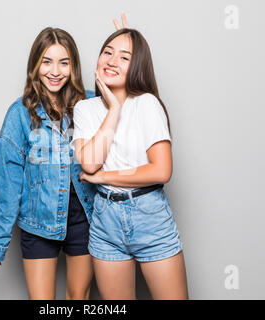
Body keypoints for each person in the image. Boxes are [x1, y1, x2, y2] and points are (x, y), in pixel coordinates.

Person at [0, 16, 130, 300]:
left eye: (64, 62)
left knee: (78, 297)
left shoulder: (92, 103)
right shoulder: (19, 114)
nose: (55, 71)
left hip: (85, 218)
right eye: (47, 62)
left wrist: (124, 47)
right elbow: (6, 181)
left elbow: (129, 105)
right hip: (37, 222)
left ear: (74, 67)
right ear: (35, 66)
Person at [72, 28, 189, 300]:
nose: (112, 61)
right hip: (105, 220)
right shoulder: (84, 109)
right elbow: (90, 164)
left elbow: (161, 170)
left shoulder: (146, 104)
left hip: (149, 215)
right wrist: (113, 110)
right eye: (107, 53)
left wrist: (105, 177)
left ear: (136, 66)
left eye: (124, 57)